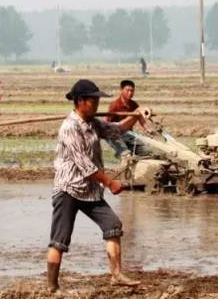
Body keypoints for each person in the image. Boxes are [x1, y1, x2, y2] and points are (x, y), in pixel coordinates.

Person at [46, 79, 145, 293]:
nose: (97, 104)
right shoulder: (70, 127)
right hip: (69, 189)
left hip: (90, 190)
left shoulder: (93, 123)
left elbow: (116, 130)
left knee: (113, 226)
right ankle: (52, 287)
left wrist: (136, 115)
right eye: (93, 100)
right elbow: (85, 166)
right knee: (60, 240)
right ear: (80, 101)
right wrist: (110, 183)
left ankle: (116, 275)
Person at [105, 80, 152, 157]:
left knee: (146, 151)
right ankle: (121, 154)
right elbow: (107, 124)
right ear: (121, 90)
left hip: (129, 135)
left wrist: (146, 128)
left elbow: (140, 116)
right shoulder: (114, 105)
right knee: (126, 154)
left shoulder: (134, 104)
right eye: (127, 90)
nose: (130, 93)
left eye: (132, 91)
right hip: (116, 135)